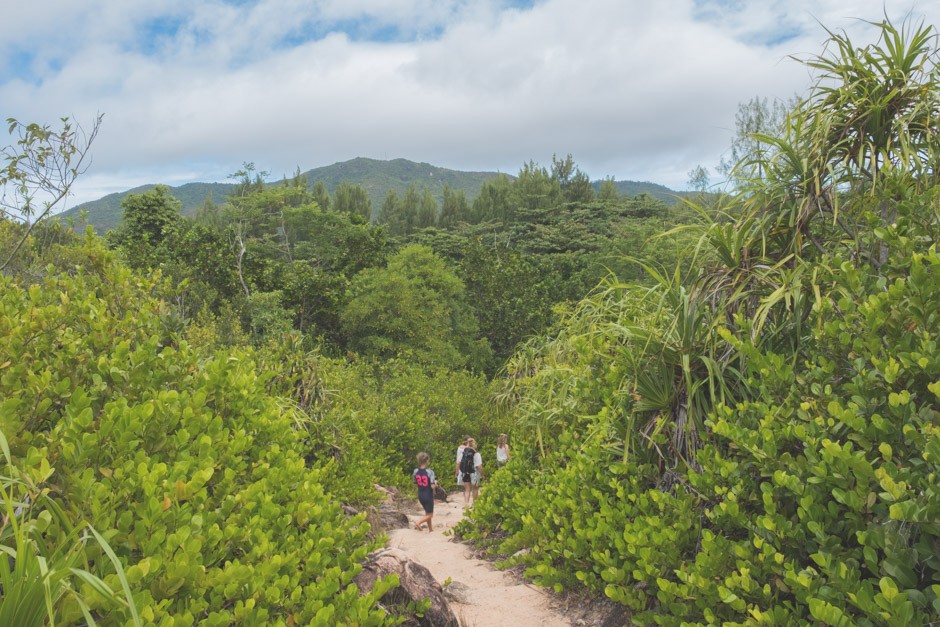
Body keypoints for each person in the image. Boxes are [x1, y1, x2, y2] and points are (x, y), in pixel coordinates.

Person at [413, 452, 437, 532]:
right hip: (428, 494)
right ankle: (418, 522)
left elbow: (415, 483)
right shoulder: (430, 472)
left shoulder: (415, 471)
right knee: (430, 515)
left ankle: (431, 529)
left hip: (420, 494)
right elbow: (432, 486)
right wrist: (436, 483)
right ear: (427, 460)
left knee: (427, 512)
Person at [460, 438, 483, 507]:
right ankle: (474, 504)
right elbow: (479, 466)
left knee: (467, 489)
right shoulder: (476, 454)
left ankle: (466, 504)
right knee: (475, 488)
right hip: (474, 473)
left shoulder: (464, 453)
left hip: (465, 472)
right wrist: (482, 474)